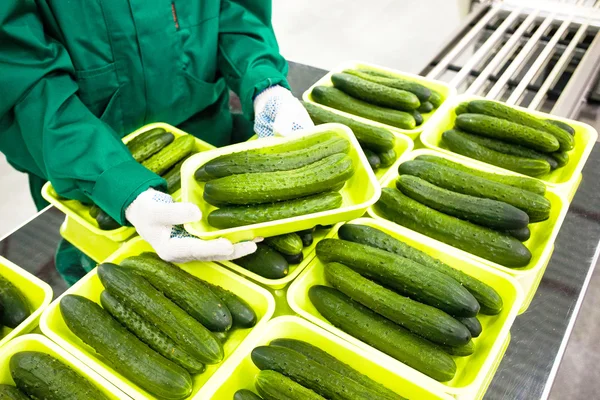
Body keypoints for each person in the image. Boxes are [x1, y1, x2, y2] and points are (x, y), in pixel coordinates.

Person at [0, 0, 314, 285]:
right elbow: (18, 72)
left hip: (207, 142)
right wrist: (115, 182)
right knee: (107, 284)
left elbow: (237, 10)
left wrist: (263, 81)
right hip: (78, 170)